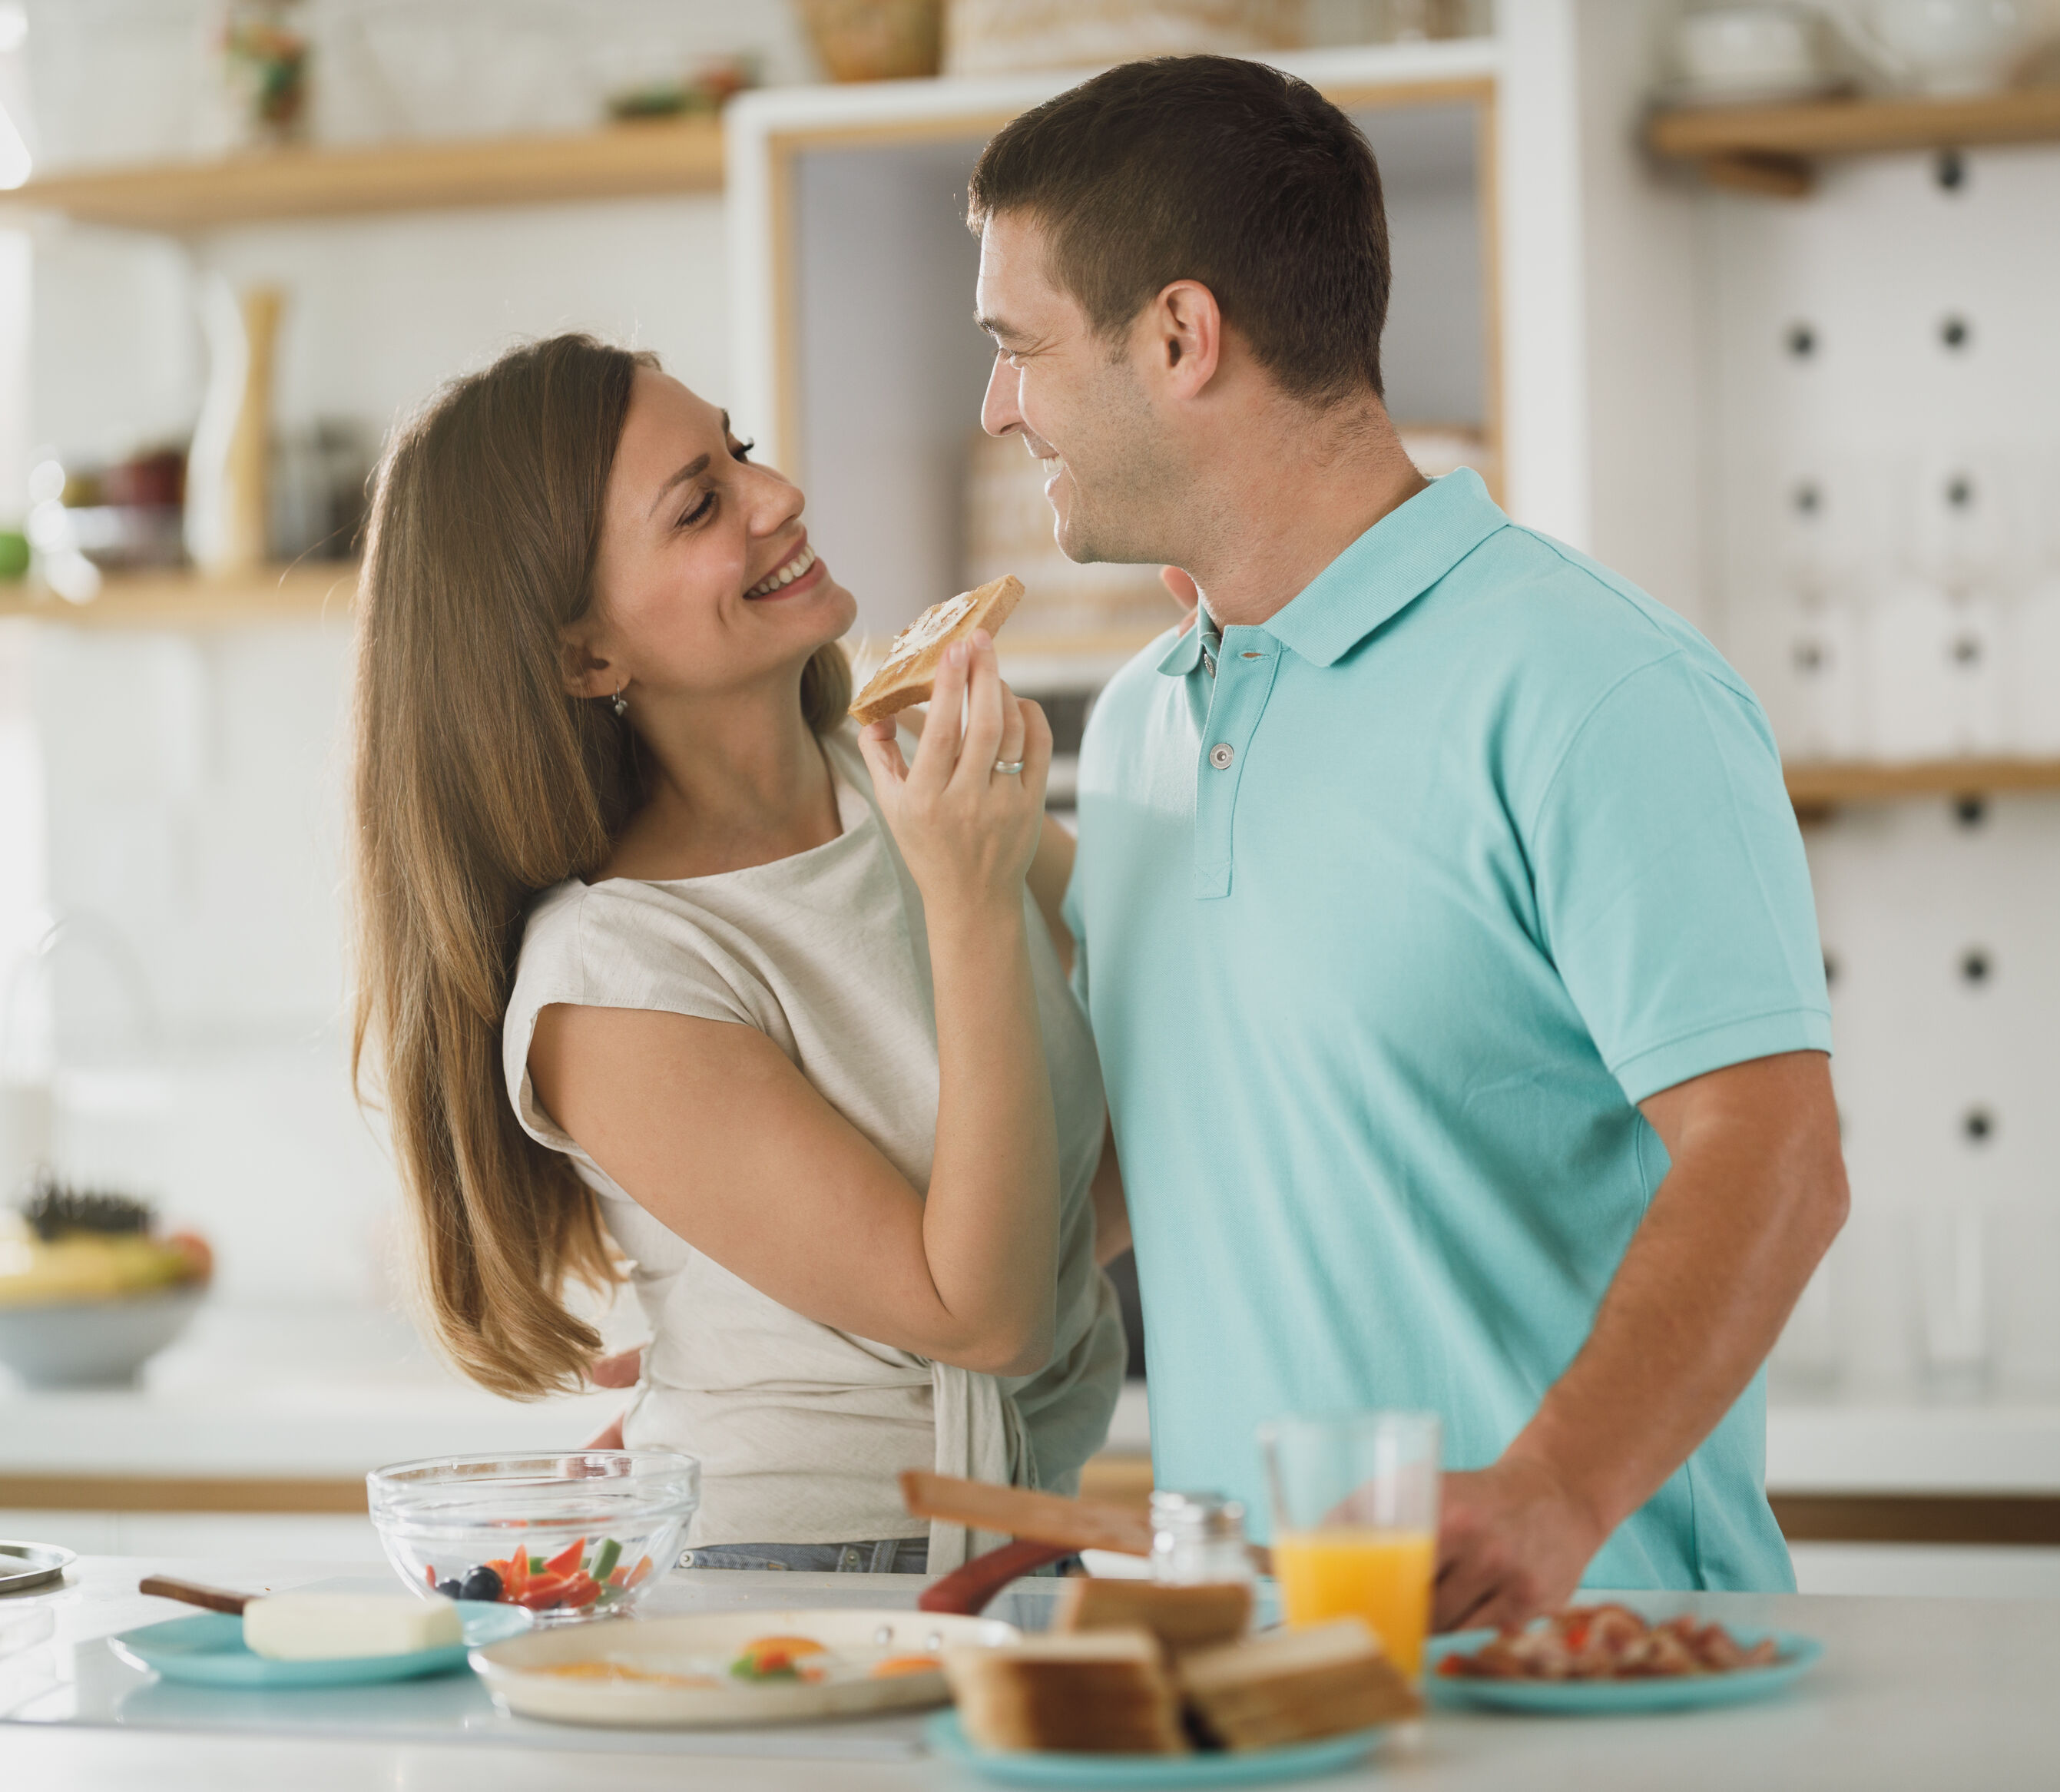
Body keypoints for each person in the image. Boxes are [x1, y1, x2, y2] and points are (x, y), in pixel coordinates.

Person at [966, 57, 1850, 1628]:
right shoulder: (1153, 720)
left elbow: (1775, 1157)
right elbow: (1123, 1177)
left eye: (1017, 347)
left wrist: (1560, 1484)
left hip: (1596, 1664)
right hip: (1286, 1669)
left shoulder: (1591, 687)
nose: (996, 406)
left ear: (1180, 337)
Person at [346, 334, 1125, 1572]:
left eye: (740, 452)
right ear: (587, 656)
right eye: (703, 502)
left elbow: (1148, 1097)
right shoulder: (613, 976)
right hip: (810, 1571)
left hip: (1013, 1542)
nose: (780, 498)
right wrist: (971, 899)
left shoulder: (901, 784)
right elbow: (987, 1316)